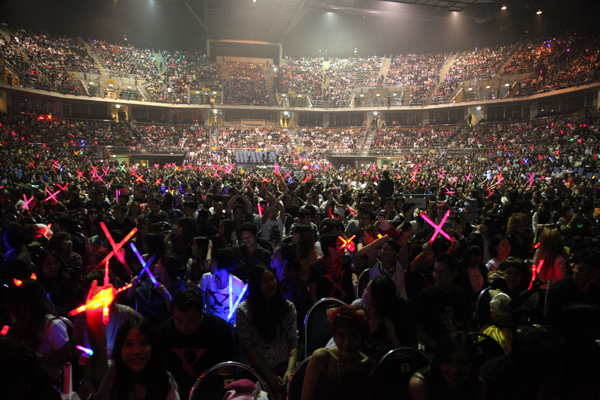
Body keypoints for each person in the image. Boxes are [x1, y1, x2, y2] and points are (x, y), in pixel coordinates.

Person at [81, 290, 180, 400]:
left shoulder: (164, 379)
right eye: (129, 345)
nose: (136, 351)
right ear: (120, 348)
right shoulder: (110, 372)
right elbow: (99, 352)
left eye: (143, 344)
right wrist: (93, 314)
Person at [235, 265, 298, 398]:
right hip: (255, 370)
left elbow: (293, 341)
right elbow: (247, 348)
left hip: (282, 367)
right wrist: (269, 376)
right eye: (265, 281)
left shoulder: (288, 307)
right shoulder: (244, 311)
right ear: (256, 285)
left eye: (272, 279)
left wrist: (290, 370)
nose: (271, 284)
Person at [158, 289, 235, 398]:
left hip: (210, 388)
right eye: (179, 320)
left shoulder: (218, 329)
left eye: (191, 321)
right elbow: (159, 368)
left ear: (200, 314)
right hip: (175, 390)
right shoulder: (164, 332)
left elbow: (226, 365)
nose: (184, 326)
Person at [301, 305, 375, 400]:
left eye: (353, 336)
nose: (347, 343)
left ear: (362, 336)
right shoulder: (321, 359)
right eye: (341, 335)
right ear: (334, 335)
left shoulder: (368, 367)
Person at [6, 279, 72, 382]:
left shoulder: (53, 325)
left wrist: (36, 357)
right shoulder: (18, 323)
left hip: (47, 381)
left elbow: (64, 358)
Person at [414, 253, 472, 352]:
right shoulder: (425, 296)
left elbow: (467, 324)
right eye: (435, 270)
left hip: (459, 346)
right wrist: (439, 348)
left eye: (442, 272)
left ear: (453, 274)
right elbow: (420, 330)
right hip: (435, 347)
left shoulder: (461, 294)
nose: (437, 275)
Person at [409, 331, 486, 400]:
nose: (454, 369)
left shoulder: (478, 385)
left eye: (462, 363)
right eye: (448, 362)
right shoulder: (421, 384)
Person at [198, 247, 246, 325]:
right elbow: (201, 305)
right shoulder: (206, 278)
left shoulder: (238, 284)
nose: (209, 264)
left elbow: (242, 310)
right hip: (210, 323)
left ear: (222, 264)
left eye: (212, 261)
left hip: (228, 325)